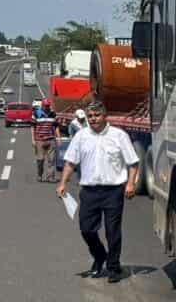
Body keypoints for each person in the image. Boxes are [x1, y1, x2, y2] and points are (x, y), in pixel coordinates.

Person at [56, 103, 139, 282]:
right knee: (86, 229)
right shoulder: (81, 136)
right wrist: (63, 183)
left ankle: (114, 268)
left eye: (97, 115)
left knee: (112, 231)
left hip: (113, 191)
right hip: (89, 191)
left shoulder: (119, 136)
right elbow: (70, 162)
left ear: (105, 116)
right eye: (90, 116)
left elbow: (133, 162)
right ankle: (100, 255)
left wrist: (131, 184)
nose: (93, 118)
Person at [31, 104, 59, 181]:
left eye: (48, 106)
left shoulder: (53, 114)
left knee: (51, 159)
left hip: (51, 139)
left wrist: (58, 137)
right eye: (45, 106)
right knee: (40, 159)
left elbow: (56, 126)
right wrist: (33, 139)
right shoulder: (36, 114)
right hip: (39, 140)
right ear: (42, 106)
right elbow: (33, 127)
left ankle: (50, 177)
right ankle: (39, 175)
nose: (47, 107)